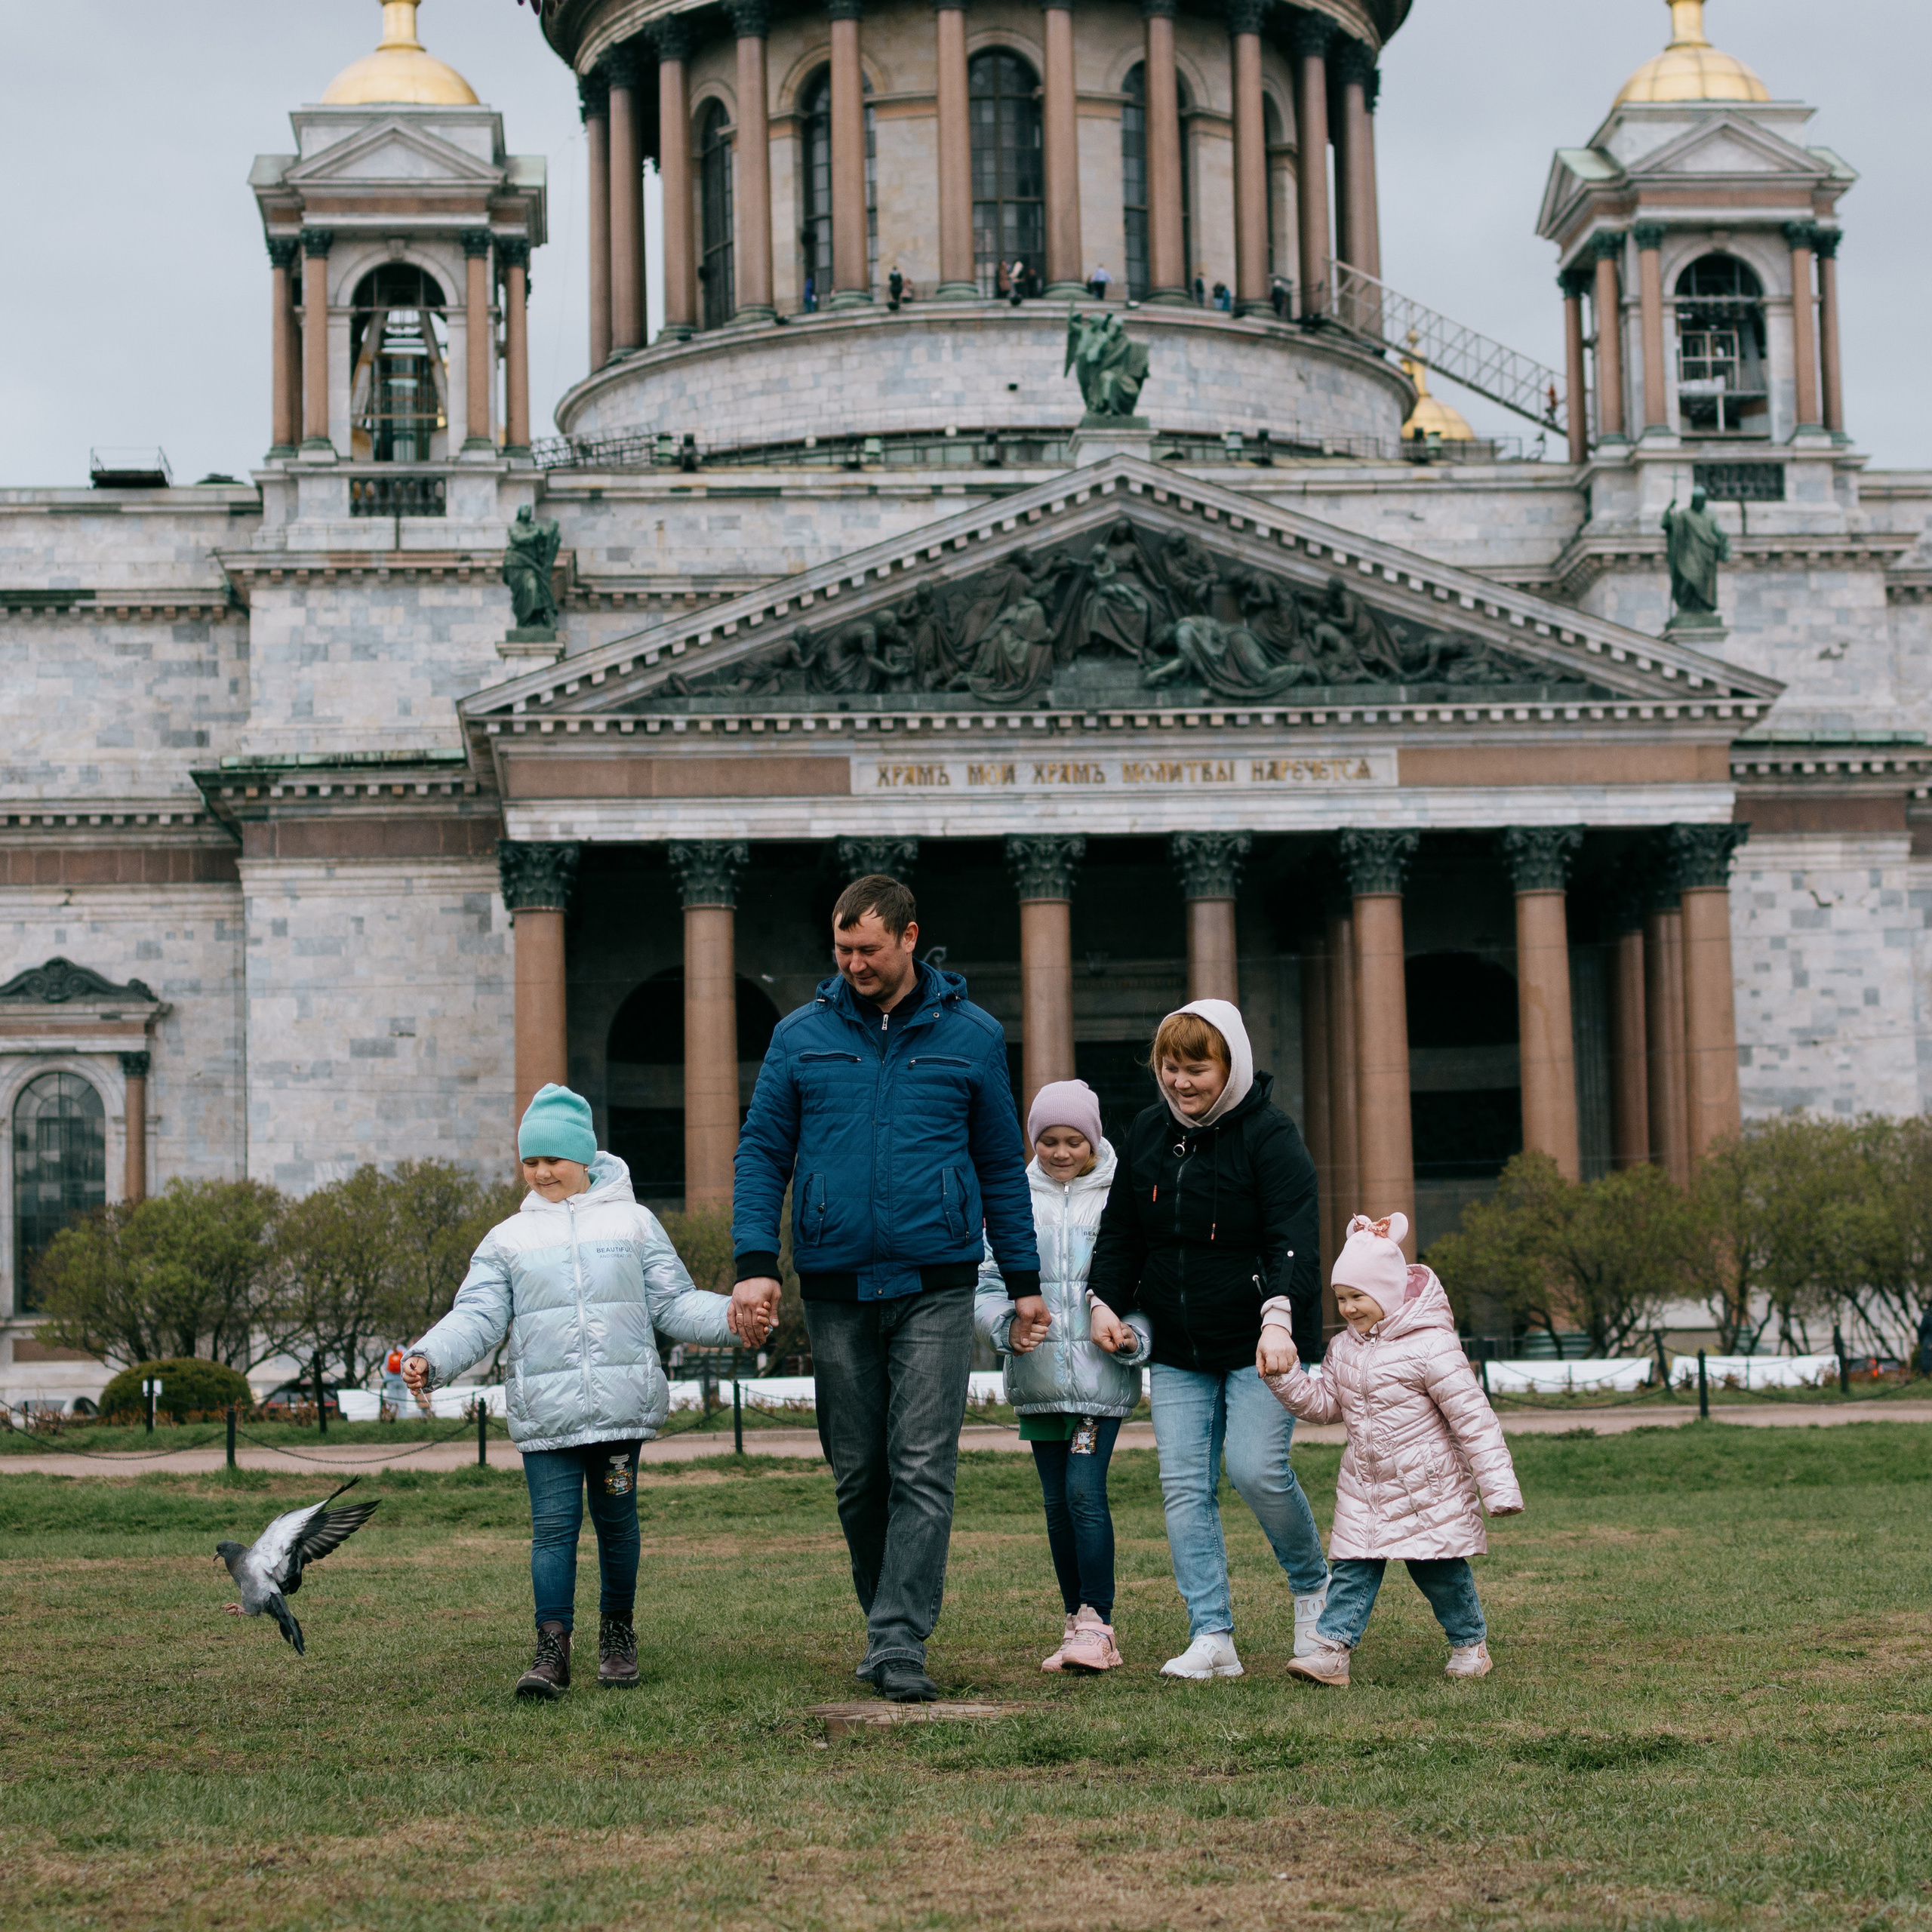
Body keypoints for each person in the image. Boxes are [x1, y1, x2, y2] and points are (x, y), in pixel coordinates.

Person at [731, 874, 1040, 1702]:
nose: (853, 963)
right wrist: (755, 1259)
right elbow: (761, 1152)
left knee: (922, 1464)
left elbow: (1000, 1170)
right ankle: (885, 1617)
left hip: (936, 1284)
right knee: (859, 1472)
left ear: (908, 938)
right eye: (842, 950)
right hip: (834, 1283)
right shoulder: (799, 1036)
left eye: (867, 948)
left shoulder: (973, 1037)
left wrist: (1024, 1280)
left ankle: (899, 1636)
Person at [402, 1084, 757, 1700]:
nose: (540, 1172)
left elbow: (673, 1304)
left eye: (553, 1160)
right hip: (548, 1419)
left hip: (620, 1416)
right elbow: (478, 1316)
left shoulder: (636, 1223)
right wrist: (430, 1357)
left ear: (585, 1159)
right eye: (530, 1162)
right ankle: (551, 1651)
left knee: (617, 1525)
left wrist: (734, 1315)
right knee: (553, 1530)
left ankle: (617, 1635)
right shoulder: (506, 1239)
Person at [1087, 1000, 1329, 1681]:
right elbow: (1123, 1233)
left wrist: (1278, 1319)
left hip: (1262, 1344)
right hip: (1178, 1347)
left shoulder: (1271, 1137)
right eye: (1170, 1067)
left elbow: (1293, 1239)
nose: (1181, 1081)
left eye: (1197, 1068)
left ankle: (1315, 1592)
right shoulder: (1144, 1133)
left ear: (1231, 1067)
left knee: (1256, 1470)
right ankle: (1212, 1635)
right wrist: (1101, 1301)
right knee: (1184, 1487)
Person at [1260, 1214, 1523, 1687]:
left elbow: (1474, 1420)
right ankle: (1332, 1650)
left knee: (1439, 1571)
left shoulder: (1432, 1346)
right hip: (1366, 1483)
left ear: (1387, 1291)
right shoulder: (1344, 1348)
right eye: (1341, 1298)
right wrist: (1286, 1378)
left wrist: (1498, 1488)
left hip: (1427, 1486)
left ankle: (1470, 1645)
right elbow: (1325, 1405)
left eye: (1358, 1296)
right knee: (1353, 1570)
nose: (1349, 1308)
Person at [975, 1080, 1150, 1675]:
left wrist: (1133, 1333)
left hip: (1099, 1385)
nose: (1060, 1151)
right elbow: (988, 1283)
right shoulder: (1011, 1198)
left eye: (1073, 1139)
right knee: (1056, 1503)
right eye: (1048, 1139)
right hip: (1039, 1380)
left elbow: (1138, 1280)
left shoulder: (1120, 1196)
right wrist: (1004, 1328)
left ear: (1093, 1140)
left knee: (1084, 1493)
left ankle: (1099, 1619)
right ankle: (1075, 1618)